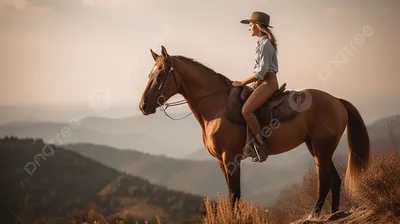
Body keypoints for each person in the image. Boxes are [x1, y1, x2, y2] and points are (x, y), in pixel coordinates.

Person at [233, 11, 279, 162]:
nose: (249, 28)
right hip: (261, 82)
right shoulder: (260, 44)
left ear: (259, 27)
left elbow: (261, 71)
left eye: (251, 25)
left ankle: (261, 145)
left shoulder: (266, 45)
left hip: (268, 83)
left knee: (246, 111)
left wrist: (242, 82)